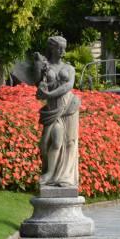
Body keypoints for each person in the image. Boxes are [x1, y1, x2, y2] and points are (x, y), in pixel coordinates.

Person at [34, 36, 80, 188]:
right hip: (53, 109)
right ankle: (50, 172)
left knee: (69, 142)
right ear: (52, 48)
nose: (62, 51)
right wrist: (40, 72)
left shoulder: (69, 68)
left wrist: (49, 94)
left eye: (64, 48)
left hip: (68, 108)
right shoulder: (46, 68)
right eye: (59, 47)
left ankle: (64, 176)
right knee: (50, 142)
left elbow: (68, 86)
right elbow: (39, 91)